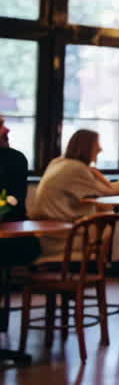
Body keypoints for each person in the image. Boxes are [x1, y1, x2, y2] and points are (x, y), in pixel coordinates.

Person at [30, 129, 119, 256]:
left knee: (103, 211)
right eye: (96, 145)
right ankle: (96, 269)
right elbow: (110, 192)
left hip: (45, 229)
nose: (100, 149)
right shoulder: (76, 168)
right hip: (60, 234)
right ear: (86, 147)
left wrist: (96, 174)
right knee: (108, 226)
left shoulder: (58, 162)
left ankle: (94, 268)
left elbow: (103, 189)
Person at [0, 114, 39, 270]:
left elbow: (14, 202)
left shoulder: (15, 159)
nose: (7, 129)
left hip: (14, 236)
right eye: (1, 126)